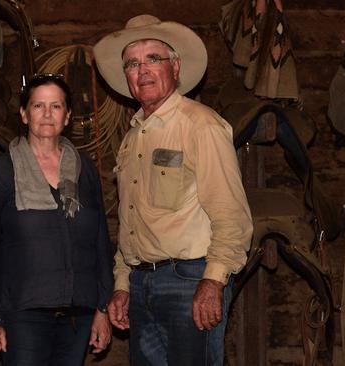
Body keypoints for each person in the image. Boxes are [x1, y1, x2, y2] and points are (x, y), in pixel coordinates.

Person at [93, 15, 254, 365]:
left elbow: (231, 214)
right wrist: (123, 281)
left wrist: (213, 281)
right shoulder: (131, 138)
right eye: (132, 63)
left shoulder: (202, 126)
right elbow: (130, 219)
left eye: (153, 58)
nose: (143, 70)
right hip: (142, 284)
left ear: (176, 66)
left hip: (190, 281)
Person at [0, 74, 114, 366]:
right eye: (38, 106)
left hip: (79, 314)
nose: (47, 114)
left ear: (68, 115)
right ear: (24, 114)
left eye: (56, 106)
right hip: (23, 313)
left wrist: (102, 308)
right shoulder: (1, 172)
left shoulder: (84, 170)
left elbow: (100, 243)